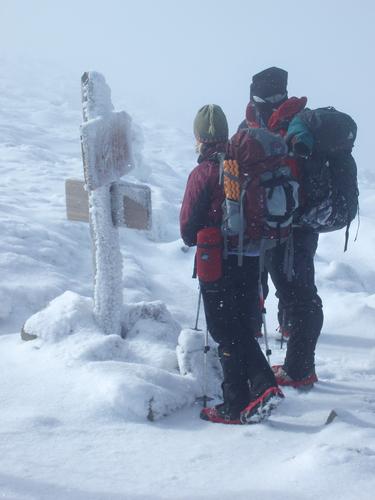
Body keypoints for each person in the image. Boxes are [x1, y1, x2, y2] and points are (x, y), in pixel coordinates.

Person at [180, 104, 283, 424]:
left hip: (217, 260)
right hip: (250, 258)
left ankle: (260, 389)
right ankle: (240, 398)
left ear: (199, 137)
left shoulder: (205, 171)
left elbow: (187, 229)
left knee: (225, 329)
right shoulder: (245, 164)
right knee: (238, 325)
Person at [239, 67, 323, 389]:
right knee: (297, 286)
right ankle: (290, 330)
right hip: (295, 223)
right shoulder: (298, 119)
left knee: (298, 292)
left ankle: (300, 370)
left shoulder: (290, 125)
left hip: (284, 224)